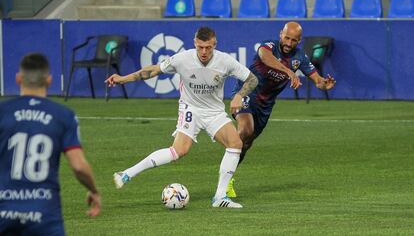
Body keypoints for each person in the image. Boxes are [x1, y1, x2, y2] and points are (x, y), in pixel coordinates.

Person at [106, 27, 258, 208]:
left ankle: (219, 197)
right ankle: (127, 173)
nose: (203, 52)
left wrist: (239, 95)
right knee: (179, 151)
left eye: (208, 47)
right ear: (195, 44)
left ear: (214, 45)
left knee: (236, 144)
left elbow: (252, 79)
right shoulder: (181, 59)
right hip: (190, 109)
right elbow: (152, 71)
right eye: (200, 47)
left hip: (214, 112)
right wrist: (122, 79)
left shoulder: (224, 61)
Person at [227, 22, 336, 198]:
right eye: (286, 38)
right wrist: (289, 72)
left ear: (299, 41)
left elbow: (317, 80)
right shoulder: (269, 46)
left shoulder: (300, 57)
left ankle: (228, 173)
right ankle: (225, 177)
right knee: (246, 130)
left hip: (265, 105)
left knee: (246, 143)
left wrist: (324, 84)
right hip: (246, 92)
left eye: (294, 40)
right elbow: (264, 57)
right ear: (280, 34)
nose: (288, 43)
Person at [0, 53, 101, 235]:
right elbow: (78, 166)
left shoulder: (3, 112)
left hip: (4, 211)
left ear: (18, 78)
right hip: (45, 214)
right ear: (49, 80)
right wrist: (94, 190)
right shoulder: (63, 115)